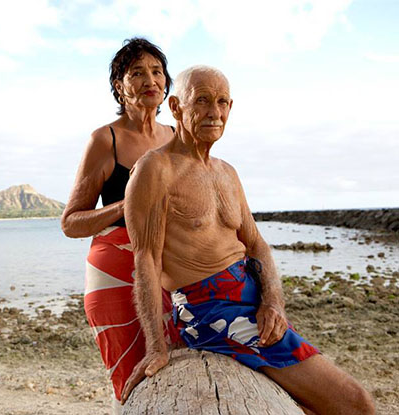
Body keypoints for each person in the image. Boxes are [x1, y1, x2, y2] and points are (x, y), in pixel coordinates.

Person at [120, 65, 375, 415]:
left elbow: (256, 245)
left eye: (223, 102)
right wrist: (156, 346)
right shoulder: (155, 169)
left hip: (252, 299)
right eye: (203, 101)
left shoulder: (227, 172)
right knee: (356, 404)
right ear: (177, 107)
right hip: (211, 312)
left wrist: (273, 301)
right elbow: (145, 259)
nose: (215, 112)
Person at [61, 38, 179, 412]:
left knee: (175, 369)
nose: (150, 80)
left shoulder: (176, 137)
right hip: (113, 277)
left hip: (168, 268)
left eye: (157, 71)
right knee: (129, 381)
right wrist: (127, 204)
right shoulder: (105, 139)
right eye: (137, 73)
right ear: (119, 85)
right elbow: (71, 222)